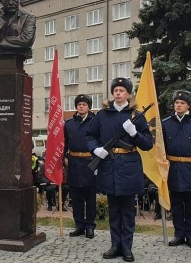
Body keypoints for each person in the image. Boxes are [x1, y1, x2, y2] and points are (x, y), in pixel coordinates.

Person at [86, 78, 153, 262]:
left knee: (128, 211)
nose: (118, 93)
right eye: (115, 90)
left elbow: (148, 144)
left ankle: (127, 247)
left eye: (122, 90)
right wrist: (95, 149)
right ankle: (115, 245)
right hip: (109, 164)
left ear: (128, 94)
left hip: (129, 165)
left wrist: (134, 134)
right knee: (114, 210)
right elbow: (90, 135)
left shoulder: (136, 116)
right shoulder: (102, 115)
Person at [64, 94, 96, 239]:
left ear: (89, 106)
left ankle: (90, 226)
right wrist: (64, 157)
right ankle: (79, 225)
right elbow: (64, 143)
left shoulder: (95, 122)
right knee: (75, 198)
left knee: (90, 198)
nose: (81, 107)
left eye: (84, 104)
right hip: (74, 163)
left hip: (90, 162)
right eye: (79, 104)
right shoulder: (68, 124)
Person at [162, 90, 191, 248]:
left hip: (189, 168)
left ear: (188, 106)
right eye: (176, 103)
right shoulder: (166, 123)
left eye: (182, 103)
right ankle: (179, 234)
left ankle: (190, 234)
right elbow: (162, 148)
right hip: (173, 169)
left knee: (190, 205)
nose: (178, 105)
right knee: (177, 205)